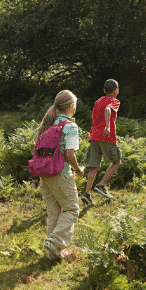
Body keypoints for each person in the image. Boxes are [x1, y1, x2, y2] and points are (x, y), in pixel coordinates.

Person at [38, 90, 84, 261]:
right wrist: (78, 170)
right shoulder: (70, 126)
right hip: (61, 173)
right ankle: (55, 241)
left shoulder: (48, 124)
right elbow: (70, 154)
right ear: (72, 106)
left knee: (54, 212)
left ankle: (53, 253)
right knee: (71, 209)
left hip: (45, 174)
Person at [81, 79, 121, 205]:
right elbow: (108, 110)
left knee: (94, 166)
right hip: (106, 136)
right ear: (116, 91)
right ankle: (101, 185)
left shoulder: (98, 101)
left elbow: (93, 117)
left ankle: (87, 194)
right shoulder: (114, 101)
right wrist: (108, 126)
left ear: (104, 90)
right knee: (117, 161)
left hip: (94, 135)